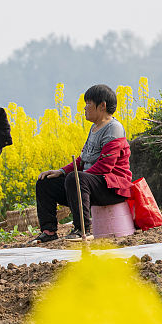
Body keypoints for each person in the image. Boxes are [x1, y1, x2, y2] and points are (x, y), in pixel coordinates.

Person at [31, 84, 132, 243]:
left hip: (112, 188)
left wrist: (74, 178)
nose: (84, 108)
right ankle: (49, 231)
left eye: (88, 104)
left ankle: (82, 229)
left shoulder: (114, 128)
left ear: (102, 106)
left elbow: (105, 166)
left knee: (75, 178)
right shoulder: (94, 128)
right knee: (45, 182)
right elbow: (82, 160)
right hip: (88, 185)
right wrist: (60, 172)